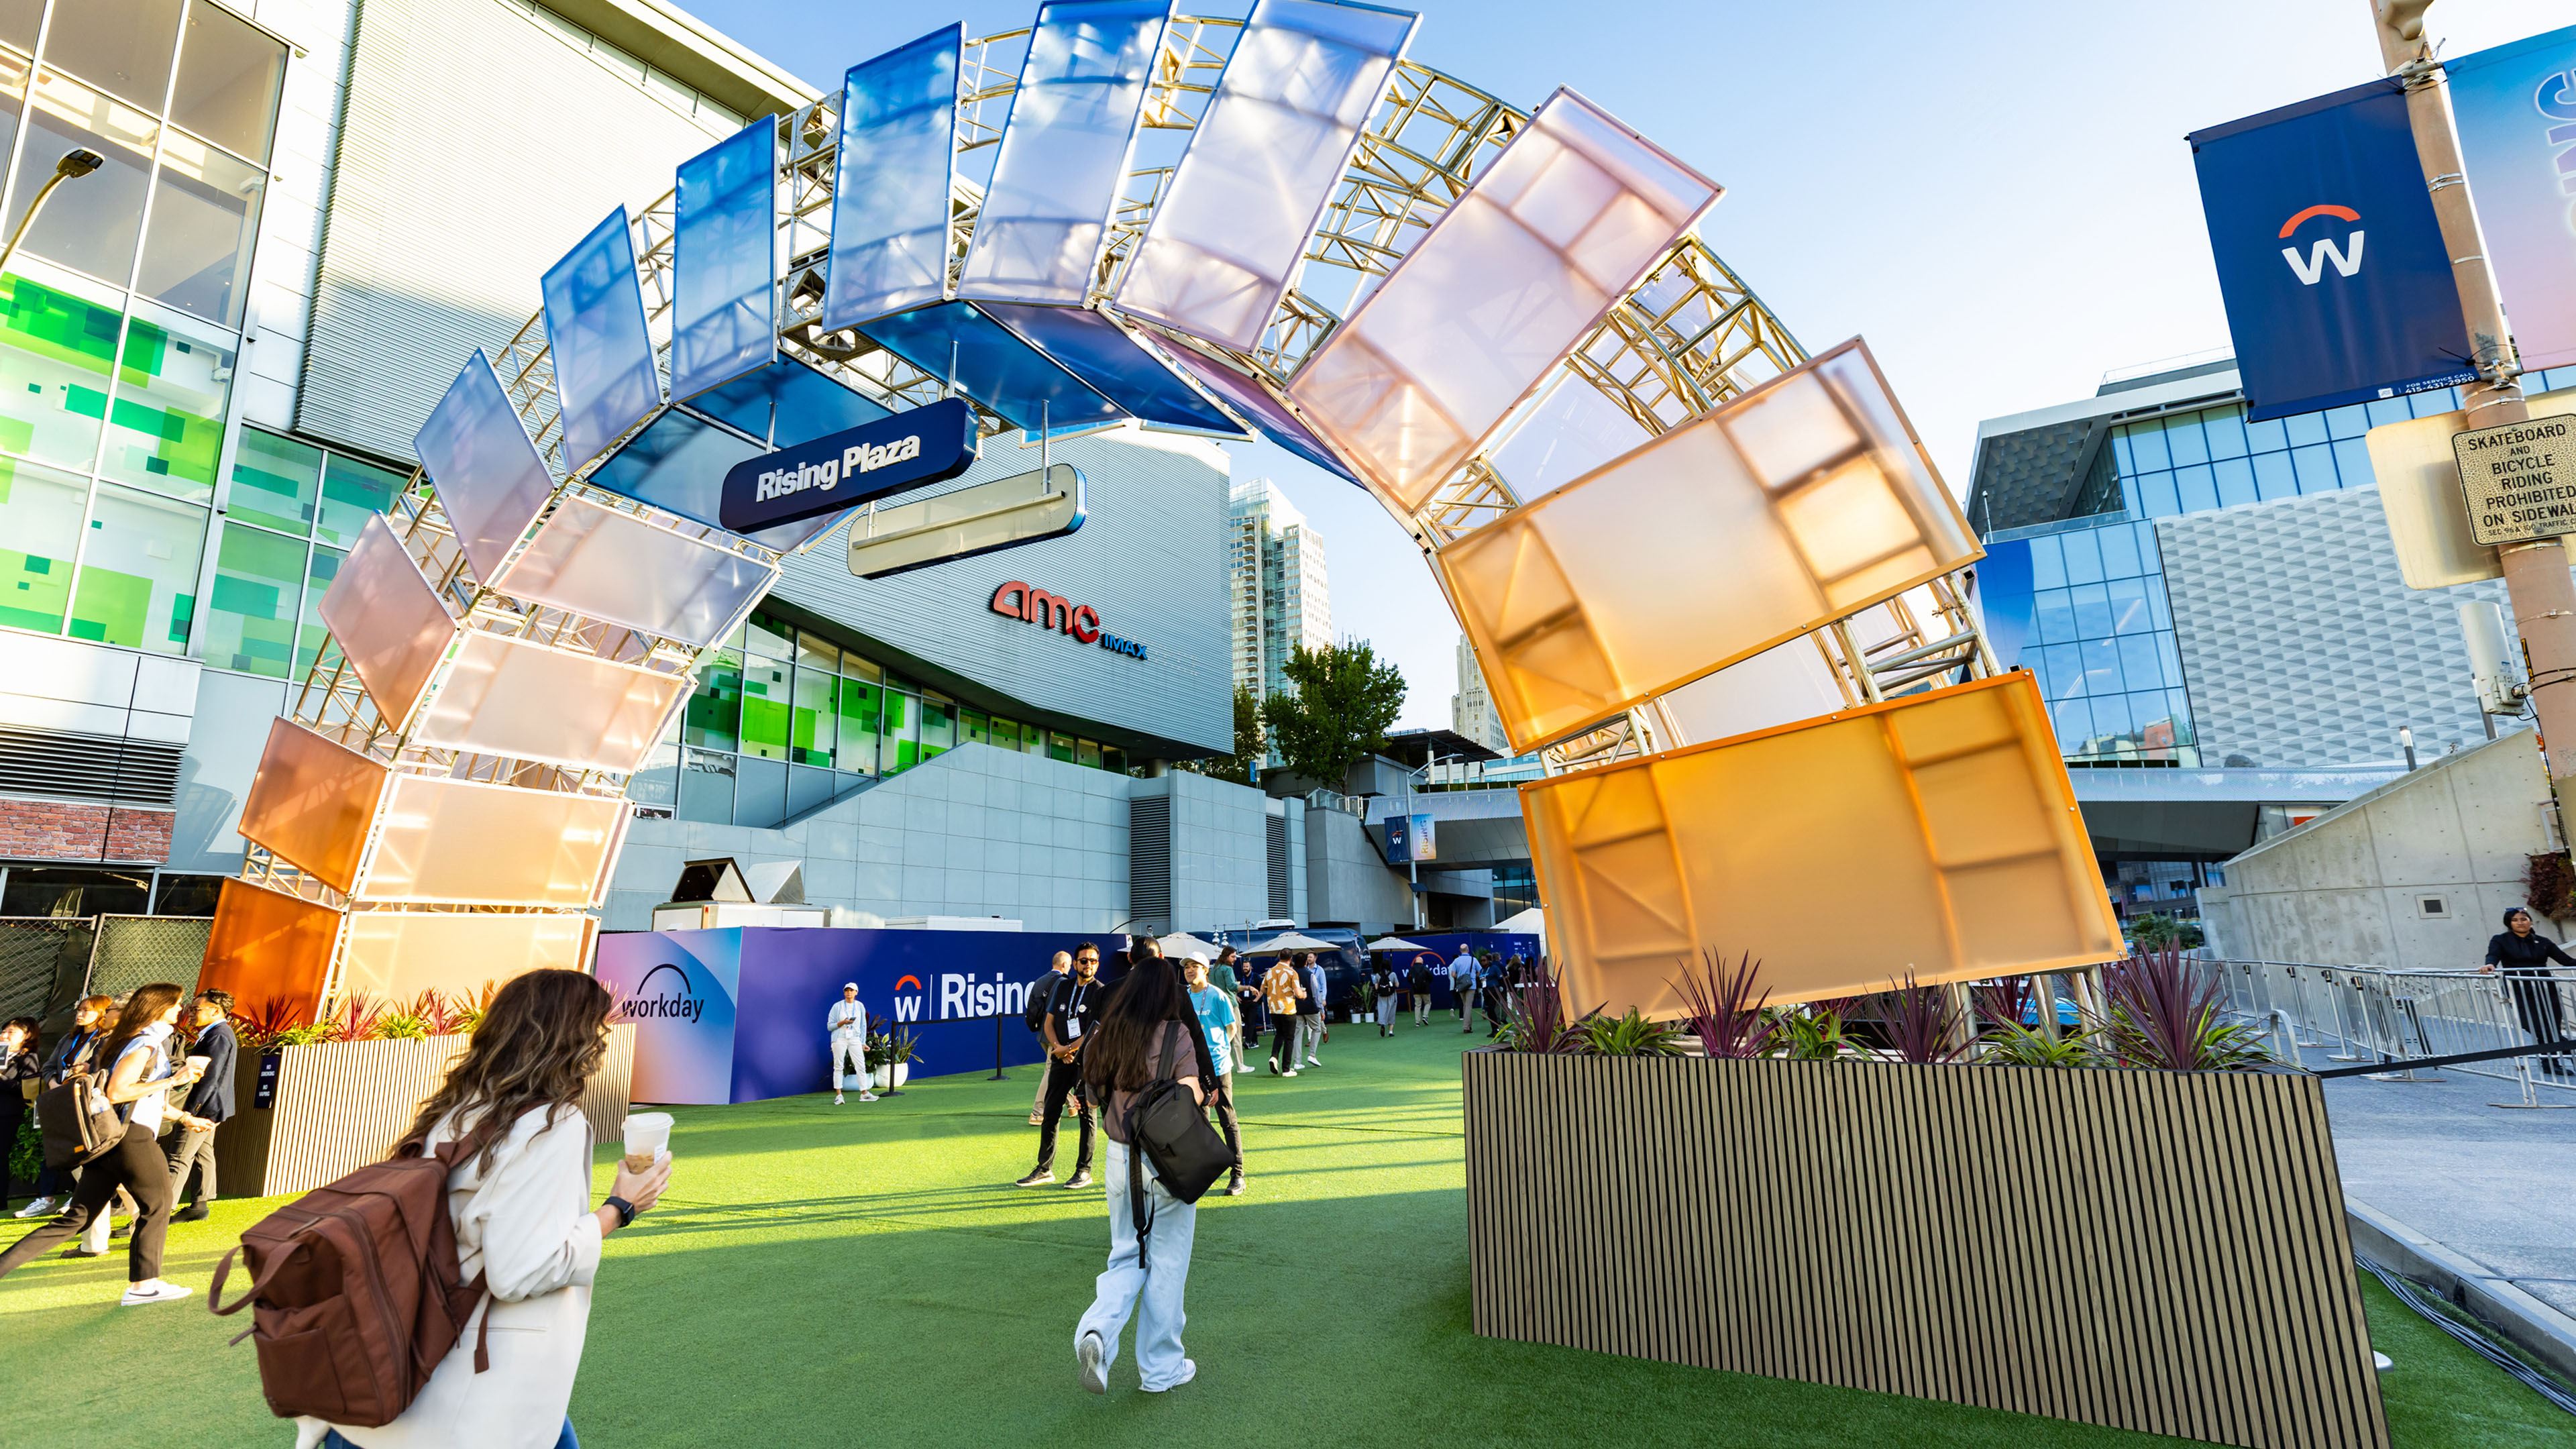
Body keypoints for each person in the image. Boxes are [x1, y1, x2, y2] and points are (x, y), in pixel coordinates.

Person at [302, 967, 671, 1449]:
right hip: (474, 1388)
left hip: (397, 1375)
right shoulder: (551, 1125)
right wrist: (620, 1207)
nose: (603, 1044)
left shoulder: (455, 1109)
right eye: (599, 1031)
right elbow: (518, 1270)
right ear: (575, 1040)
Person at [0, 981, 203, 1303]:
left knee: (76, 1219)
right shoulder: (144, 1044)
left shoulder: (125, 1041)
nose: (182, 1010)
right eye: (177, 1004)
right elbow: (119, 1093)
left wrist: (185, 1118)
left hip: (110, 1138)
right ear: (159, 1008)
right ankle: (143, 1286)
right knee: (159, 1205)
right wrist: (174, 1080)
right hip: (130, 1137)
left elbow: (143, 1097)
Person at [1073, 953, 1216, 1395]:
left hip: (1119, 1158)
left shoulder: (1108, 1033)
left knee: (1124, 1257)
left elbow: (1092, 1100)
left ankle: (1096, 1331)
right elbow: (1192, 1093)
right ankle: (1160, 1370)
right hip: (1167, 1158)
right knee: (1167, 1265)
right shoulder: (1176, 1033)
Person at [15, 994, 110, 1220]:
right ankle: (46, 1199)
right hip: (58, 1097)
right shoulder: (68, 1039)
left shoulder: (105, 1040)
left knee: (83, 1148)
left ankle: (79, 1195)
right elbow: (49, 1066)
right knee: (52, 1146)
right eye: (79, 1009)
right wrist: (54, 1084)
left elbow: (103, 1070)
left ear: (102, 1014)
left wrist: (83, 1073)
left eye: (87, 1010)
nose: (80, 1014)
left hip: (82, 1099)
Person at [1019, 943, 1102, 1188]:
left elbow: (1096, 1030)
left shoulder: (1100, 991)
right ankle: (1044, 1168)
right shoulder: (1063, 986)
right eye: (1084, 961)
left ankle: (1084, 1171)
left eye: (1093, 961)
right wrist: (1058, 1048)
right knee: (1051, 1111)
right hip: (1061, 1058)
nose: (1088, 965)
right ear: (1074, 964)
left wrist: (1070, 1049)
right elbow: (1049, 1021)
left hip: (1086, 1061)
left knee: (1087, 1113)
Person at [163, 989, 237, 1221]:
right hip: (211, 1107)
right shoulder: (215, 1033)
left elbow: (210, 1076)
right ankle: (199, 1205)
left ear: (216, 1010)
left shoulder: (218, 1035)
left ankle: (159, 1214)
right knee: (203, 1153)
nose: (190, 1014)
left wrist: (191, 1112)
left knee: (179, 1157)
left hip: (203, 1107)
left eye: (196, 1009)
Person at [1179, 953, 1244, 1196]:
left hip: (1218, 1068)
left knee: (1227, 1119)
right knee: (1198, 1122)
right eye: (1187, 967)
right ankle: (1202, 1173)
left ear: (1206, 970)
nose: (1189, 970)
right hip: (1190, 1070)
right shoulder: (1182, 996)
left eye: (1195, 966)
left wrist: (1219, 1051)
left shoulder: (1218, 996)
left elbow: (1231, 1028)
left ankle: (1237, 1174)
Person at [2485, 906, 2574, 1076]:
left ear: (2530, 921)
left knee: (2552, 1025)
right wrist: (2490, 965)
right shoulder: (2500, 940)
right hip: (2518, 990)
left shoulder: (2543, 941)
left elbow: (2566, 961)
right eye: (2515, 920)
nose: (2520, 923)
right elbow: (2493, 956)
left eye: (2524, 919)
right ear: (2509, 923)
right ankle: (2567, 1047)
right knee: (2534, 1025)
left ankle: (2550, 1062)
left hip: (2546, 988)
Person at [1027, 951, 1073, 1125]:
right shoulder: (1064, 983)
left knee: (1057, 1070)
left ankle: (1071, 1105)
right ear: (1064, 965)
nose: (1070, 968)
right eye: (1069, 964)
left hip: (1042, 1034)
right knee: (1050, 1071)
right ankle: (1037, 1112)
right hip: (1056, 1035)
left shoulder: (1039, 981)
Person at [0, 1018, 37, 1212]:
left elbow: (26, 1089)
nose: (4, 1035)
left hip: (7, 1113)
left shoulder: (27, 1058)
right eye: (4, 1031)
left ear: (27, 1035)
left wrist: (2, 1078)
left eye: (11, 1032)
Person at [828, 983, 875, 1105]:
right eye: (847, 990)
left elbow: (863, 1025)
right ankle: (839, 1096)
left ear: (856, 992)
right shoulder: (837, 1006)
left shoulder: (860, 1006)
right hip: (839, 1039)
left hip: (855, 1039)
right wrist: (842, 1023)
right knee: (838, 1066)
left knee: (861, 1066)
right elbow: (830, 1026)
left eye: (851, 990)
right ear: (844, 993)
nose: (849, 993)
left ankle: (864, 1094)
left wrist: (863, 1042)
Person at [1261, 955, 1303, 1076]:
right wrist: (1303, 995)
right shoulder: (1292, 972)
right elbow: (1298, 993)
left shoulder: (1270, 972)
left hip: (1274, 1009)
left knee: (1279, 1034)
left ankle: (1274, 1056)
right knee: (1289, 1038)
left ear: (1279, 957)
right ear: (1290, 959)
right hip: (1288, 1009)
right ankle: (1286, 1069)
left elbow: (1263, 989)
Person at [1297, 951, 1329, 1067]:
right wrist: (1320, 1008)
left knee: (1314, 1025)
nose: (1310, 959)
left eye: (1311, 957)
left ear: (1315, 958)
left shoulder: (1319, 970)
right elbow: (1314, 992)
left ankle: (1297, 1062)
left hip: (1311, 1000)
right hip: (1310, 1003)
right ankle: (1311, 1052)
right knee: (1316, 1025)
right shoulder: (1307, 973)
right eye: (1308, 957)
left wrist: (1323, 999)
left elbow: (1323, 986)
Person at [1450, 946, 1479, 1032]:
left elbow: (1453, 975)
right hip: (1471, 984)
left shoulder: (1456, 961)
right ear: (1468, 949)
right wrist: (1472, 976)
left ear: (1460, 951)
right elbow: (1479, 972)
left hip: (1461, 985)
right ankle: (1466, 1027)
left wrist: (1461, 977)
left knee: (1465, 1005)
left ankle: (1469, 1026)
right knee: (1468, 1006)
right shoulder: (1474, 960)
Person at [1371, 957, 1399, 1036]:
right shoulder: (1393, 974)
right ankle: (1391, 1031)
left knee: (1382, 1010)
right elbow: (1397, 985)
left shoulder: (1377, 975)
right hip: (1392, 996)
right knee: (1392, 1012)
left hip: (1382, 996)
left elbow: (1376, 987)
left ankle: (1382, 1024)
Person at [1408, 955, 1437, 1027]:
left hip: (1416, 990)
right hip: (1425, 989)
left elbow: (1409, 979)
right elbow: (1431, 977)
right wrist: (1427, 984)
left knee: (1417, 1006)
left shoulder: (1412, 969)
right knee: (1428, 1003)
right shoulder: (1425, 968)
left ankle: (1417, 1022)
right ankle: (1425, 1016)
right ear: (1422, 962)